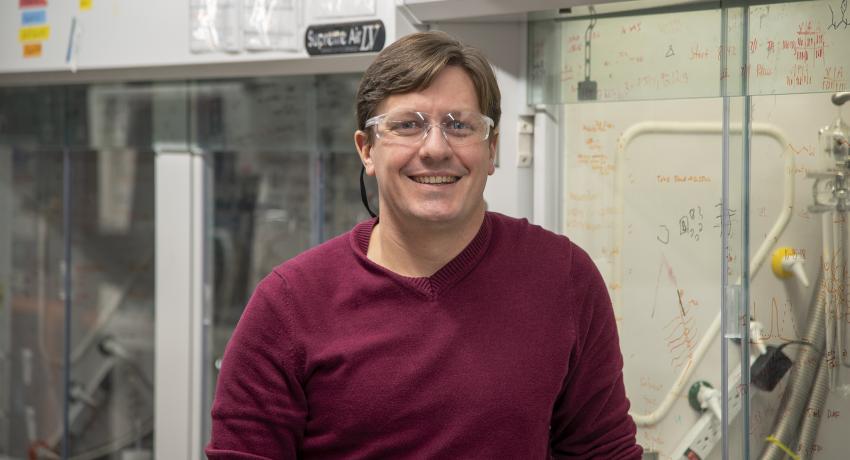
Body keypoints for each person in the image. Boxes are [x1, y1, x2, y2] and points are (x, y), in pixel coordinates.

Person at [206, 31, 642, 459]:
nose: (435, 148)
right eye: (407, 126)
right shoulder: (288, 305)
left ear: (492, 149)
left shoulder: (562, 277)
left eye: (460, 125)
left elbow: (603, 452)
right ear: (367, 151)